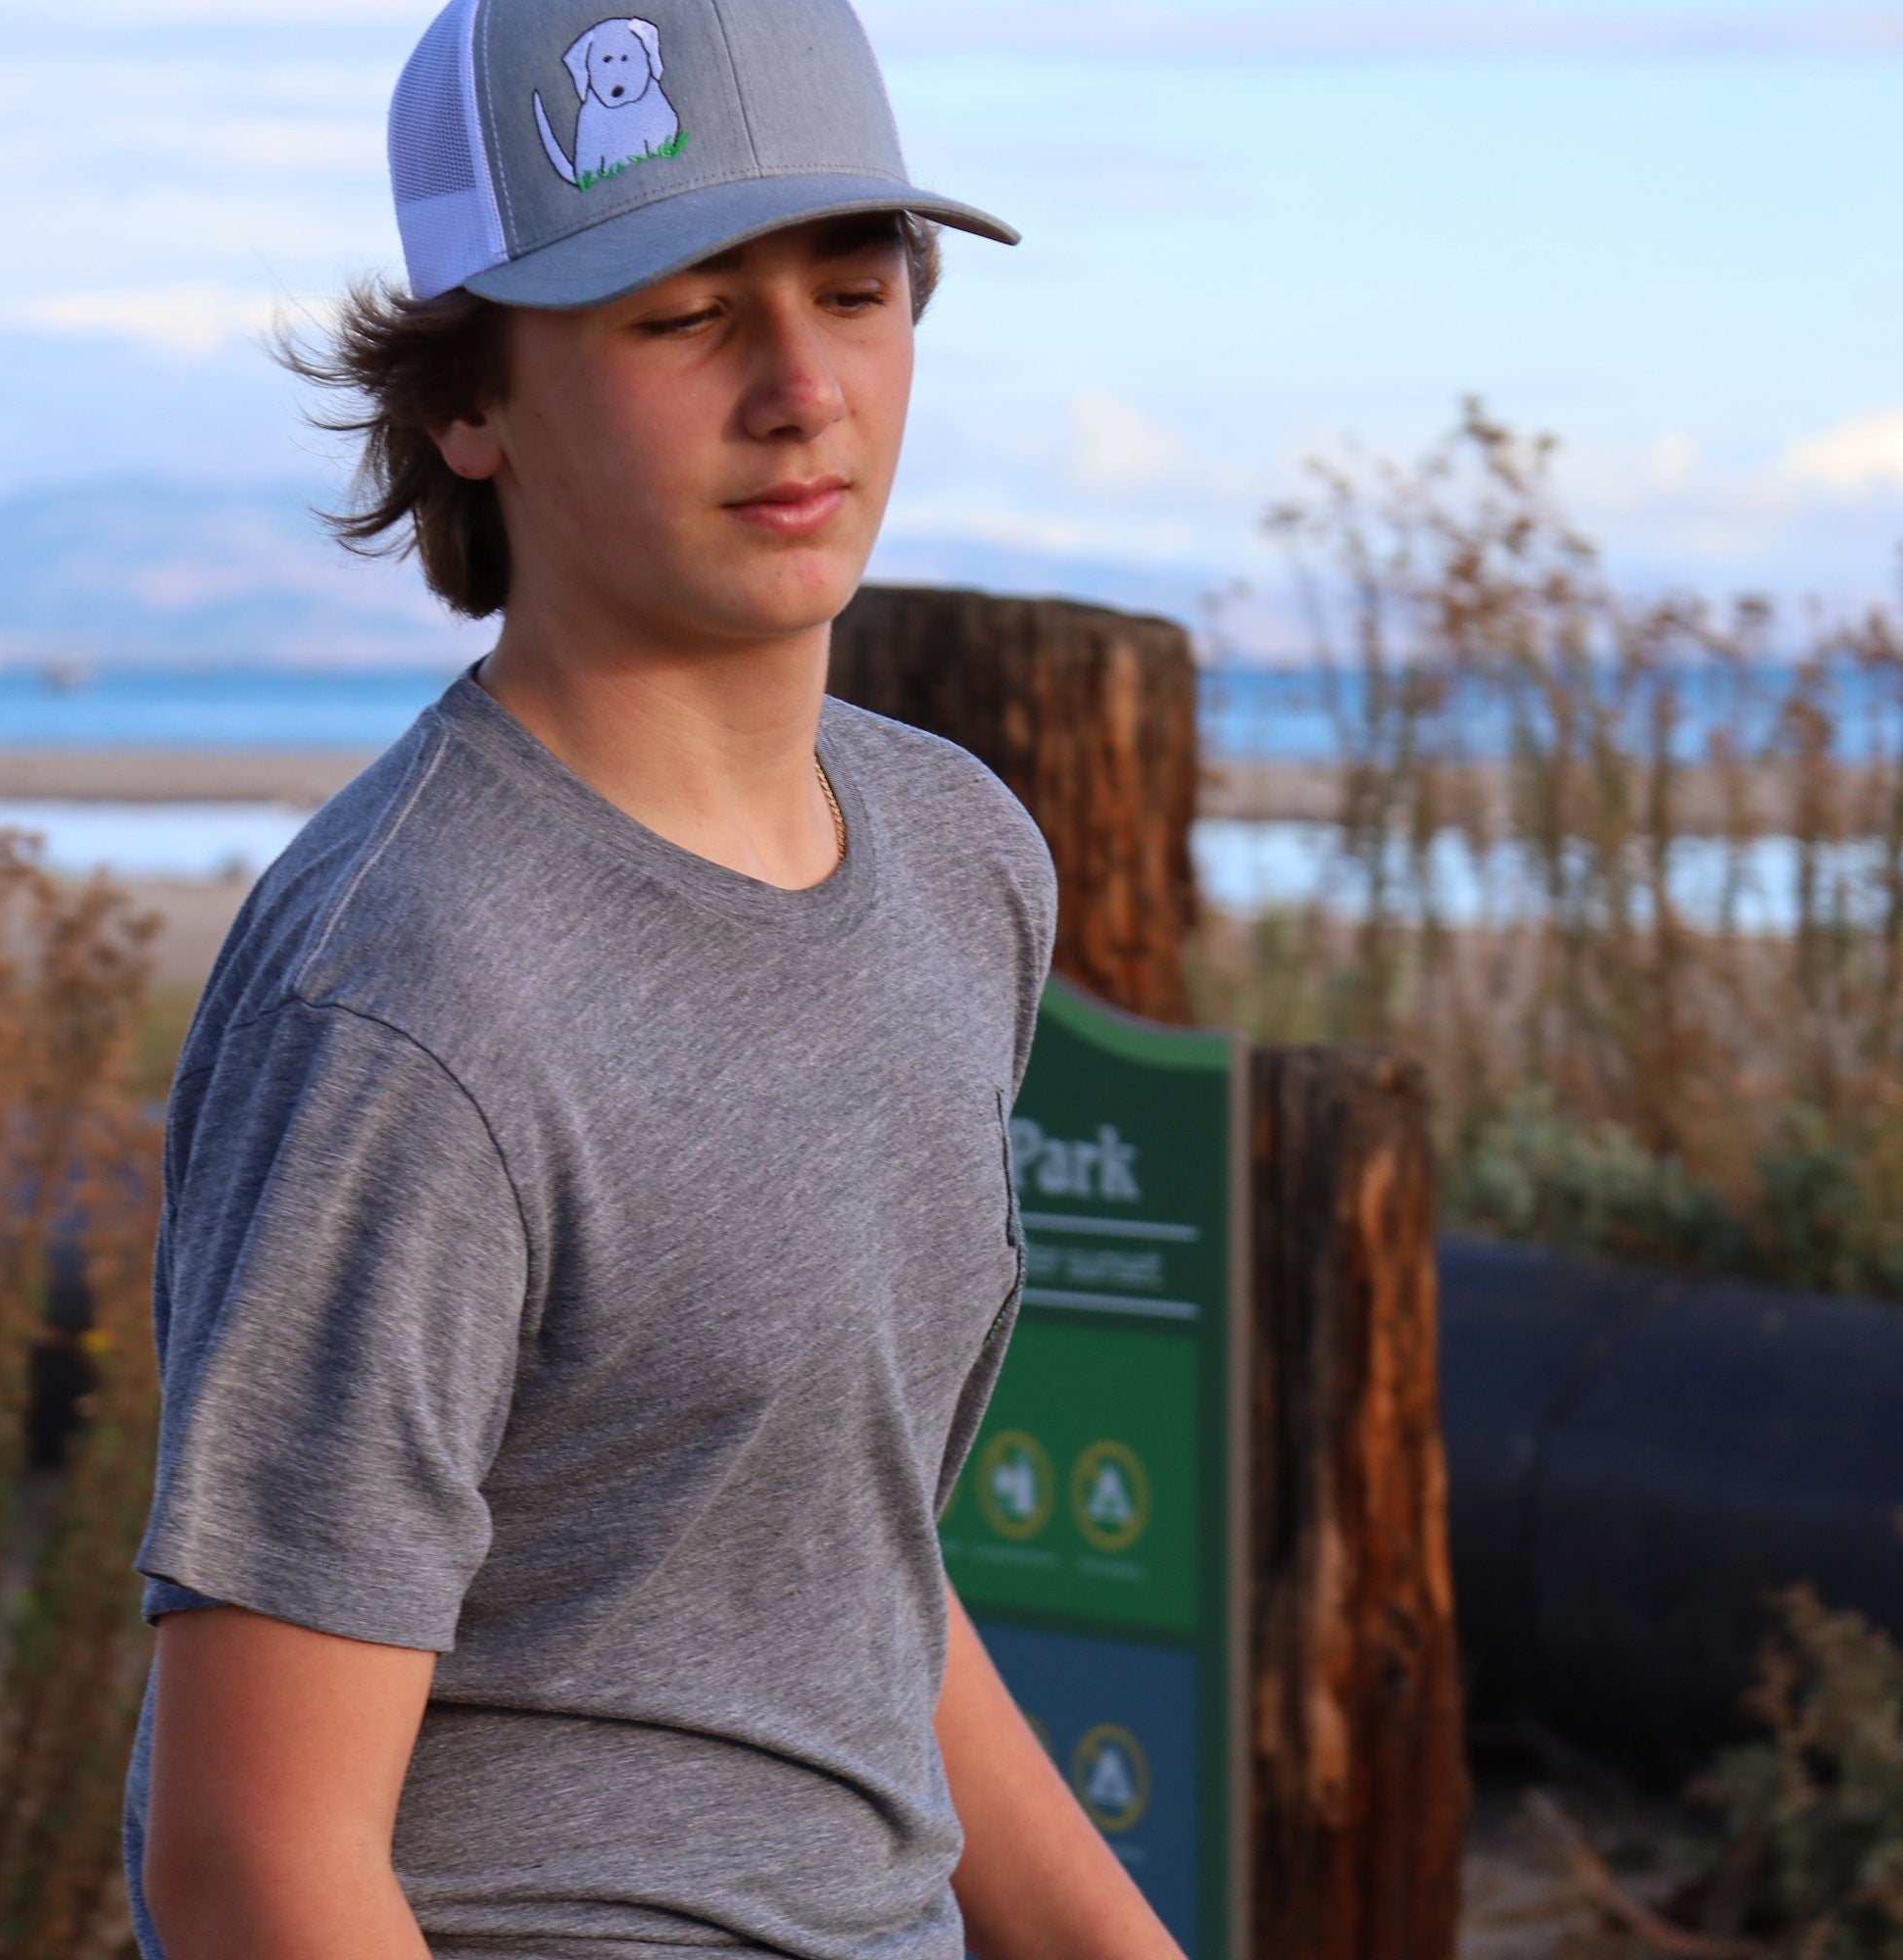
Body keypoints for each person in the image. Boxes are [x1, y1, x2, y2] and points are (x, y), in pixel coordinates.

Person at [125, 2, 1185, 1954]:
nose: (802, 389)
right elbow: (250, 1863)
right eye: (683, 315)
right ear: (472, 401)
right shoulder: (412, 994)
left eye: (855, 289)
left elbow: (829, 1554)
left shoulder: (963, 860)